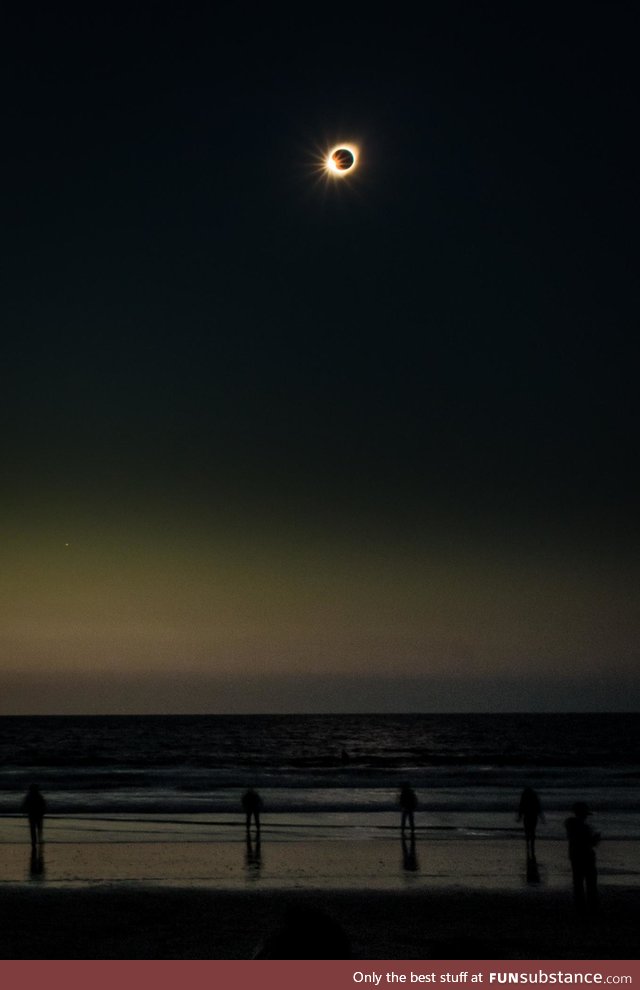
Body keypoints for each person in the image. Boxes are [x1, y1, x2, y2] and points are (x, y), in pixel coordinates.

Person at [565, 801, 600, 912]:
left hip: (574, 855)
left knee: (578, 881)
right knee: (591, 882)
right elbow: (589, 843)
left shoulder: (570, 825)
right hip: (586, 856)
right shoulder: (584, 827)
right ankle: (591, 905)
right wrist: (595, 839)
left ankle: (580, 905)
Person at [517, 786, 545, 860]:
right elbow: (539, 808)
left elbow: (521, 807)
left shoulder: (524, 798)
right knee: (532, 830)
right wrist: (542, 818)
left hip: (527, 816)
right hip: (533, 816)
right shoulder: (534, 798)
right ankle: (531, 845)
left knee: (527, 830)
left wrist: (519, 817)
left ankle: (528, 844)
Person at [22, 784, 46, 851]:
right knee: (39, 827)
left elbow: (25, 804)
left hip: (32, 814)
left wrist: (23, 810)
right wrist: (43, 811)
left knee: (33, 828)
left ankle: (34, 840)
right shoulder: (39, 796)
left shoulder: (29, 796)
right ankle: (39, 839)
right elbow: (43, 804)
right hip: (38, 814)